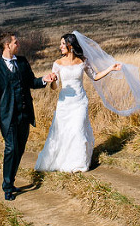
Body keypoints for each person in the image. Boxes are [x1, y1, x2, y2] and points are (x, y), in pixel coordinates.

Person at [34, 33, 122, 173]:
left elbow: (95, 76)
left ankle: (78, 163)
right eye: (61, 44)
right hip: (64, 102)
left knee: (78, 129)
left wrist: (111, 68)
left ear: (71, 45)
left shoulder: (83, 61)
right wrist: (53, 80)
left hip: (80, 101)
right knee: (63, 131)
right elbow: (54, 87)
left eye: (63, 44)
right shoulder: (57, 63)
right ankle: (62, 160)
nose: (60, 46)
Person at [0, 32, 56, 201]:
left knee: (20, 149)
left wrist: (44, 80)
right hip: (7, 117)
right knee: (11, 148)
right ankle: (7, 186)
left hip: (25, 114)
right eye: (15, 42)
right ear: (7, 46)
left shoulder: (23, 62)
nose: (18, 44)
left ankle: (11, 180)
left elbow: (31, 82)